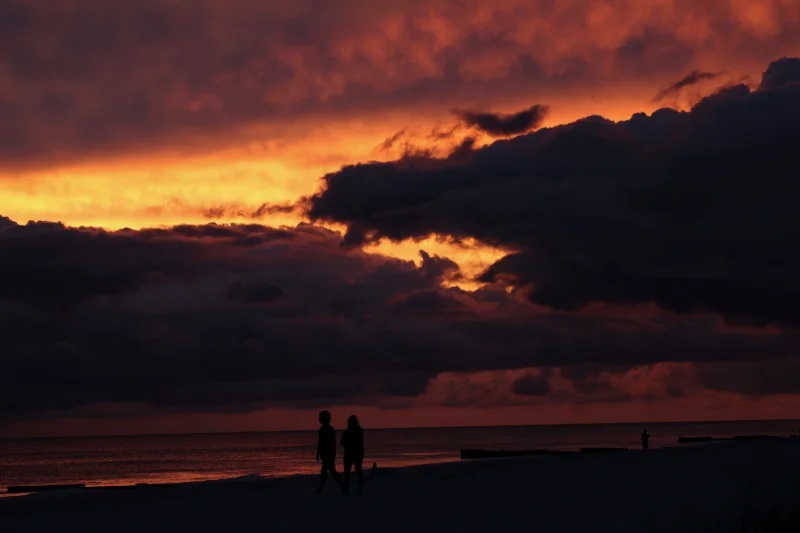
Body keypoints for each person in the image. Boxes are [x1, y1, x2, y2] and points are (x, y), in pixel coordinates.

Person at [315, 410, 344, 494]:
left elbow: (331, 444)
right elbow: (320, 442)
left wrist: (330, 454)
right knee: (331, 472)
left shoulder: (329, 429)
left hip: (328, 455)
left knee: (326, 472)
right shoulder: (323, 429)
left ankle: (320, 489)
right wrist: (318, 453)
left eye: (320, 417)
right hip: (326, 455)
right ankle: (342, 485)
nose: (319, 419)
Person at [340, 414, 365, 494]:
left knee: (357, 472)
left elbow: (359, 443)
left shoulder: (357, 431)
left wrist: (349, 445)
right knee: (349, 472)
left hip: (355, 454)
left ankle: (359, 488)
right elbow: (342, 442)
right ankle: (348, 488)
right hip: (350, 455)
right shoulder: (347, 431)